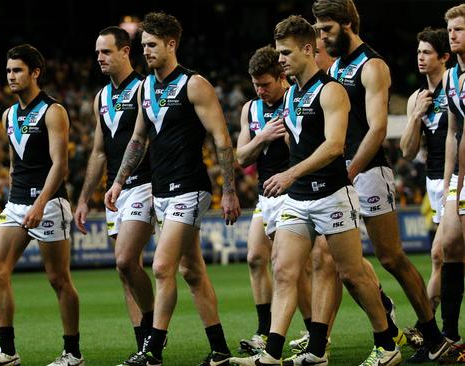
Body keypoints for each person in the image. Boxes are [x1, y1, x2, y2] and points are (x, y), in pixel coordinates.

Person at [230, 15, 399, 366]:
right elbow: (296, 143)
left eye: (286, 53)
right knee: (284, 270)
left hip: (333, 196)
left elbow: (334, 146)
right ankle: (271, 355)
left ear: (308, 49)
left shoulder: (331, 90)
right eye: (278, 53)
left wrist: (290, 174)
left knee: (352, 274)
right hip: (298, 199)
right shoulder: (292, 93)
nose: (280, 60)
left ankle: (387, 344)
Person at [313, 0, 452, 361]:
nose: (322, 36)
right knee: (332, 262)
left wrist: (349, 172)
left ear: (347, 24)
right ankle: (381, 330)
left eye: (327, 29)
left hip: (369, 171)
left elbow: (377, 129)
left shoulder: (372, 65)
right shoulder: (339, 65)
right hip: (344, 172)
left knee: (391, 257)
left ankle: (433, 336)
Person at [105, 11, 242, 366]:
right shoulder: (146, 87)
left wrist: (229, 191)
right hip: (161, 191)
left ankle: (152, 350)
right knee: (191, 271)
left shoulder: (194, 85)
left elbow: (222, 139)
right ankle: (220, 350)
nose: (145, 51)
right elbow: (138, 139)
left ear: (171, 44)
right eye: (143, 45)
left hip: (190, 189)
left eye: (152, 45)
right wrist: (119, 181)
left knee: (163, 266)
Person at [0, 44, 82, 366]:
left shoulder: (53, 111)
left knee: (58, 278)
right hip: (17, 202)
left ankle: (73, 353)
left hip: (48, 203)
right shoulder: (8, 114)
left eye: (18, 70)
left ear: (35, 73)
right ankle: (7, 351)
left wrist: (39, 204)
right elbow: (14, 161)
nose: (11, 76)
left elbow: (60, 165)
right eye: (8, 70)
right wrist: (16, 197)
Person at [74, 26, 155, 366]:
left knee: (124, 259)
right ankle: (145, 348)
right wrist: (83, 198)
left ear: (125, 51)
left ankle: (154, 335)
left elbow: (145, 139)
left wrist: (122, 180)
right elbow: (97, 152)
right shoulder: (101, 97)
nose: (100, 58)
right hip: (114, 191)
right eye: (97, 53)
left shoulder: (144, 88)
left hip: (144, 183)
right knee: (125, 270)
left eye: (106, 52)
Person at [235, 45, 313, 356]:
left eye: (265, 84)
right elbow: (241, 156)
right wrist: (263, 137)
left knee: (288, 267)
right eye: (256, 84)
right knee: (255, 257)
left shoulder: (297, 100)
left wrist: (290, 137)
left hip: (294, 194)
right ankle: (264, 329)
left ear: (282, 78)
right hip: (265, 196)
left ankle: (312, 331)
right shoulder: (250, 109)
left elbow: (311, 148)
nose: (261, 90)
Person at [400, 27, 450, 318]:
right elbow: (407, 151)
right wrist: (416, 116)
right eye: (418, 51)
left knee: (438, 254)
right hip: (433, 182)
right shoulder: (416, 98)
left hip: (456, 178)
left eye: (427, 52)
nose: (420, 57)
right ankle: (436, 332)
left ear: (444, 57)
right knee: (442, 260)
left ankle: (431, 327)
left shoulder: (455, 88)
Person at [445, 4, 465, 363]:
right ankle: (449, 334)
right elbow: (453, 131)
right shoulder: (451, 77)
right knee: (449, 245)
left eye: (460, 29)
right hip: (460, 175)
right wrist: (450, 185)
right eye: (450, 29)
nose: (453, 34)